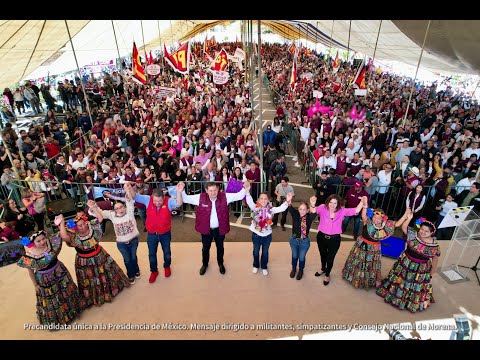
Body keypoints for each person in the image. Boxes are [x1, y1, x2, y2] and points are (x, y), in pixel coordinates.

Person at [17, 218, 86, 326]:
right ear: (32, 243)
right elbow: (30, 272)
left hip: (60, 271)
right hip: (45, 279)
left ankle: (74, 309)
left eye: (43, 239)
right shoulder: (30, 256)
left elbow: (62, 235)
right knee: (54, 296)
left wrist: (61, 224)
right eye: (38, 241)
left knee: (66, 290)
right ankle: (61, 317)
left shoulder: (51, 244)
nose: (42, 242)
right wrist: (35, 285)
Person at [56, 209, 129, 307]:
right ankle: (95, 296)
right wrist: (61, 223)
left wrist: (94, 207)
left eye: (84, 224)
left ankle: (110, 290)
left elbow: (100, 218)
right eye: (80, 225)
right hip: (85, 262)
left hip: (99, 255)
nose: (83, 226)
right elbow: (64, 236)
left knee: (105, 272)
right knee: (90, 279)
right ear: (75, 227)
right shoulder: (74, 236)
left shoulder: (91, 227)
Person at [180, 181, 247, 275]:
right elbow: (186, 198)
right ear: (206, 190)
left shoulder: (225, 196)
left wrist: (245, 187)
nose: (213, 193)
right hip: (206, 230)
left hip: (220, 229)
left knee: (220, 248)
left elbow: (239, 196)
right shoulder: (200, 197)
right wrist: (182, 190)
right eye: (210, 190)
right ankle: (205, 264)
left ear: (218, 189)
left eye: (215, 190)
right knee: (205, 248)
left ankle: (220, 264)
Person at [377, 215, 441, 313]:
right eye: (422, 229)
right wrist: (409, 218)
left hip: (420, 269)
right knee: (400, 279)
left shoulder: (434, 246)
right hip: (406, 263)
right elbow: (403, 227)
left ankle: (407, 301)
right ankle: (395, 295)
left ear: (432, 233)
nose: (423, 232)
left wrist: (431, 273)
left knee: (413, 284)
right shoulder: (413, 235)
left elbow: (435, 261)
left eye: (426, 231)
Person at [342, 204, 411, 289]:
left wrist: (405, 214)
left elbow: (397, 224)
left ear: (383, 219)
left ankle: (368, 280)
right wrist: (365, 205)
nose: (376, 219)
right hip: (362, 246)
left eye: (379, 218)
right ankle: (354, 277)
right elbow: (363, 215)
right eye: (374, 217)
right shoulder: (368, 222)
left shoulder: (385, 226)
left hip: (374, 248)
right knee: (359, 261)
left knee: (371, 264)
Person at [125, 182, 183, 283]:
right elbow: (135, 196)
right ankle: (154, 271)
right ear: (152, 197)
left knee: (167, 253)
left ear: (163, 198)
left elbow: (179, 203)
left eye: (160, 201)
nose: (157, 203)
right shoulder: (148, 199)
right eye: (155, 201)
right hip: (151, 234)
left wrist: (179, 192)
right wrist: (130, 188)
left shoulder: (168, 201)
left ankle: (167, 267)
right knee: (152, 254)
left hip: (165, 233)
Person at [87, 183, 141, 285]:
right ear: (114, 210)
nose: (120, 209)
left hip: (133, 240)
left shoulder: (129, 211)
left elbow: (129, 200)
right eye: (117, 208)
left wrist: (128, 190)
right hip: (121, 243)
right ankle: (130, 274)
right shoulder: (112, 215)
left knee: (133, 257)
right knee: (127, 259)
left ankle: (136, 270)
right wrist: (93, 206)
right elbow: (99, 212)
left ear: (124, 207)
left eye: (121, 207)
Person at [312, 194, 364, 286]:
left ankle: (327, 274)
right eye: (331, 202)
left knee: (330, 258)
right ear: (328, 202)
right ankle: (323, 268)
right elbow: (313, 211)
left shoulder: (342, 211)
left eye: (335, 203)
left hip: (334, 239)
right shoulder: (322, 207)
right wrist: (312, 204)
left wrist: (362, 201)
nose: (332, 204)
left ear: (338, 204)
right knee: (323, 255)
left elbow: (356, 210)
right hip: (321, 237)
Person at [244, 182, 293, 275]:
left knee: (265, 253)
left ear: (268, 200)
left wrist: (287, 200)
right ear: (258, 200)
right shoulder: (255, 208)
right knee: (256, 251)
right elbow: (249, 201)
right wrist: (247, 191)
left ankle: (264, 266)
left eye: (265, 198)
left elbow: (281, 208)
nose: (263, 200)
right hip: (256, 234)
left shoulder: (271, 209)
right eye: (261, 198)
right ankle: (255, 265)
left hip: (267, 235)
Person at [288, 197, 319, 280]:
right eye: (300, 209)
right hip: (294, 240)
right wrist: (288, 200)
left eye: (304, 209)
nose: (302, 211)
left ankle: (301, 270)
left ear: (307, 210)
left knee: (301, 257)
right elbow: (290, 207)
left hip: (304, 242)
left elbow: (314, 213)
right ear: (298, 209)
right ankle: (294, 269)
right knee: (294, 256)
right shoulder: (295, 215)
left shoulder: (309, 217)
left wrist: (312, 204)